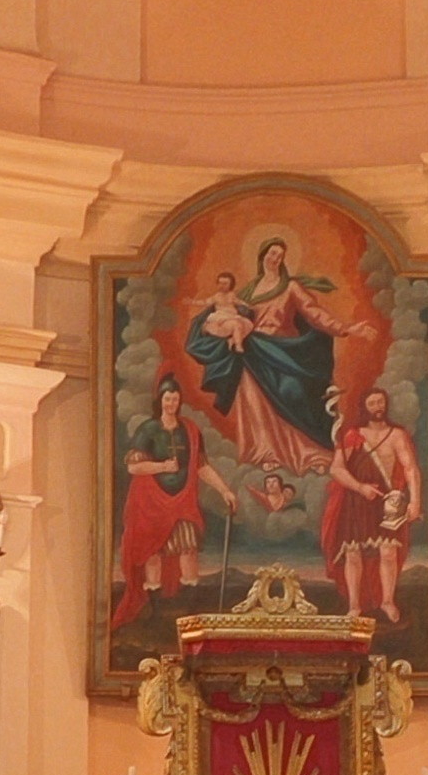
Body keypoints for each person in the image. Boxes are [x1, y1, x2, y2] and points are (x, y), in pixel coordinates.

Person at [189, 233, 341, 477]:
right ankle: (264, 454)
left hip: (284, 352)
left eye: (280, 255)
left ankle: (308, 454)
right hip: (252, 353)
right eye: (272, 253)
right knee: (253, 401)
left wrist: (344, 329)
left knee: (294, 394)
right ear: (262, 256)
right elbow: (227, 312)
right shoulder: (248, 292)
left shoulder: (290, 287)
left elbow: (314, 313)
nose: (275, 258)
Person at [322, 385, 423, 624]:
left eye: (381, 402)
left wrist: (415, 501)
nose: (378, 407)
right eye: (372, 403)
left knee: (388, 552)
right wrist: (359, 487)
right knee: (353, 554)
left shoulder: (396, 435)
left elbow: (410, 468)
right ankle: (354, 605)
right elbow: (336, 469)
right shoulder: (353, 434)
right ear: (365, 408)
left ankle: (387, 601)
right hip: (356, 500)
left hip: (387, 500)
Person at [113, 375, 206, 627]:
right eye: (167, 398)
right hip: (152, 503)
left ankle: (189, 608)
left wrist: (225, 491)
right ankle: (156, 611)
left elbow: (200, 467)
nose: (171, 403)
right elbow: (134, 467)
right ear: (160, 400)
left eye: (175, 398)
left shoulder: (189, 430)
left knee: (188, 548)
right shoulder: (149, 429)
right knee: (153, 553)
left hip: (182, 502)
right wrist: (162, 465)